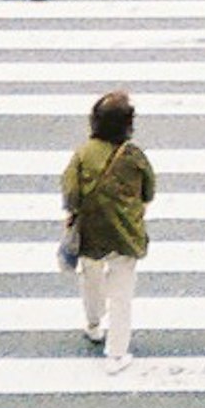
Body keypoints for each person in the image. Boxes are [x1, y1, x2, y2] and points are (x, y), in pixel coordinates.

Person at [61, 88, 154, 372]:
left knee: (91, 276)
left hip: (91, 230)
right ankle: (116, 352)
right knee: (121, 292)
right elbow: (149, 190)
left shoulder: (83, 153)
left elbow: (71, 193)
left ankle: (93, 324)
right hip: (125, 233)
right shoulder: (134, 155)